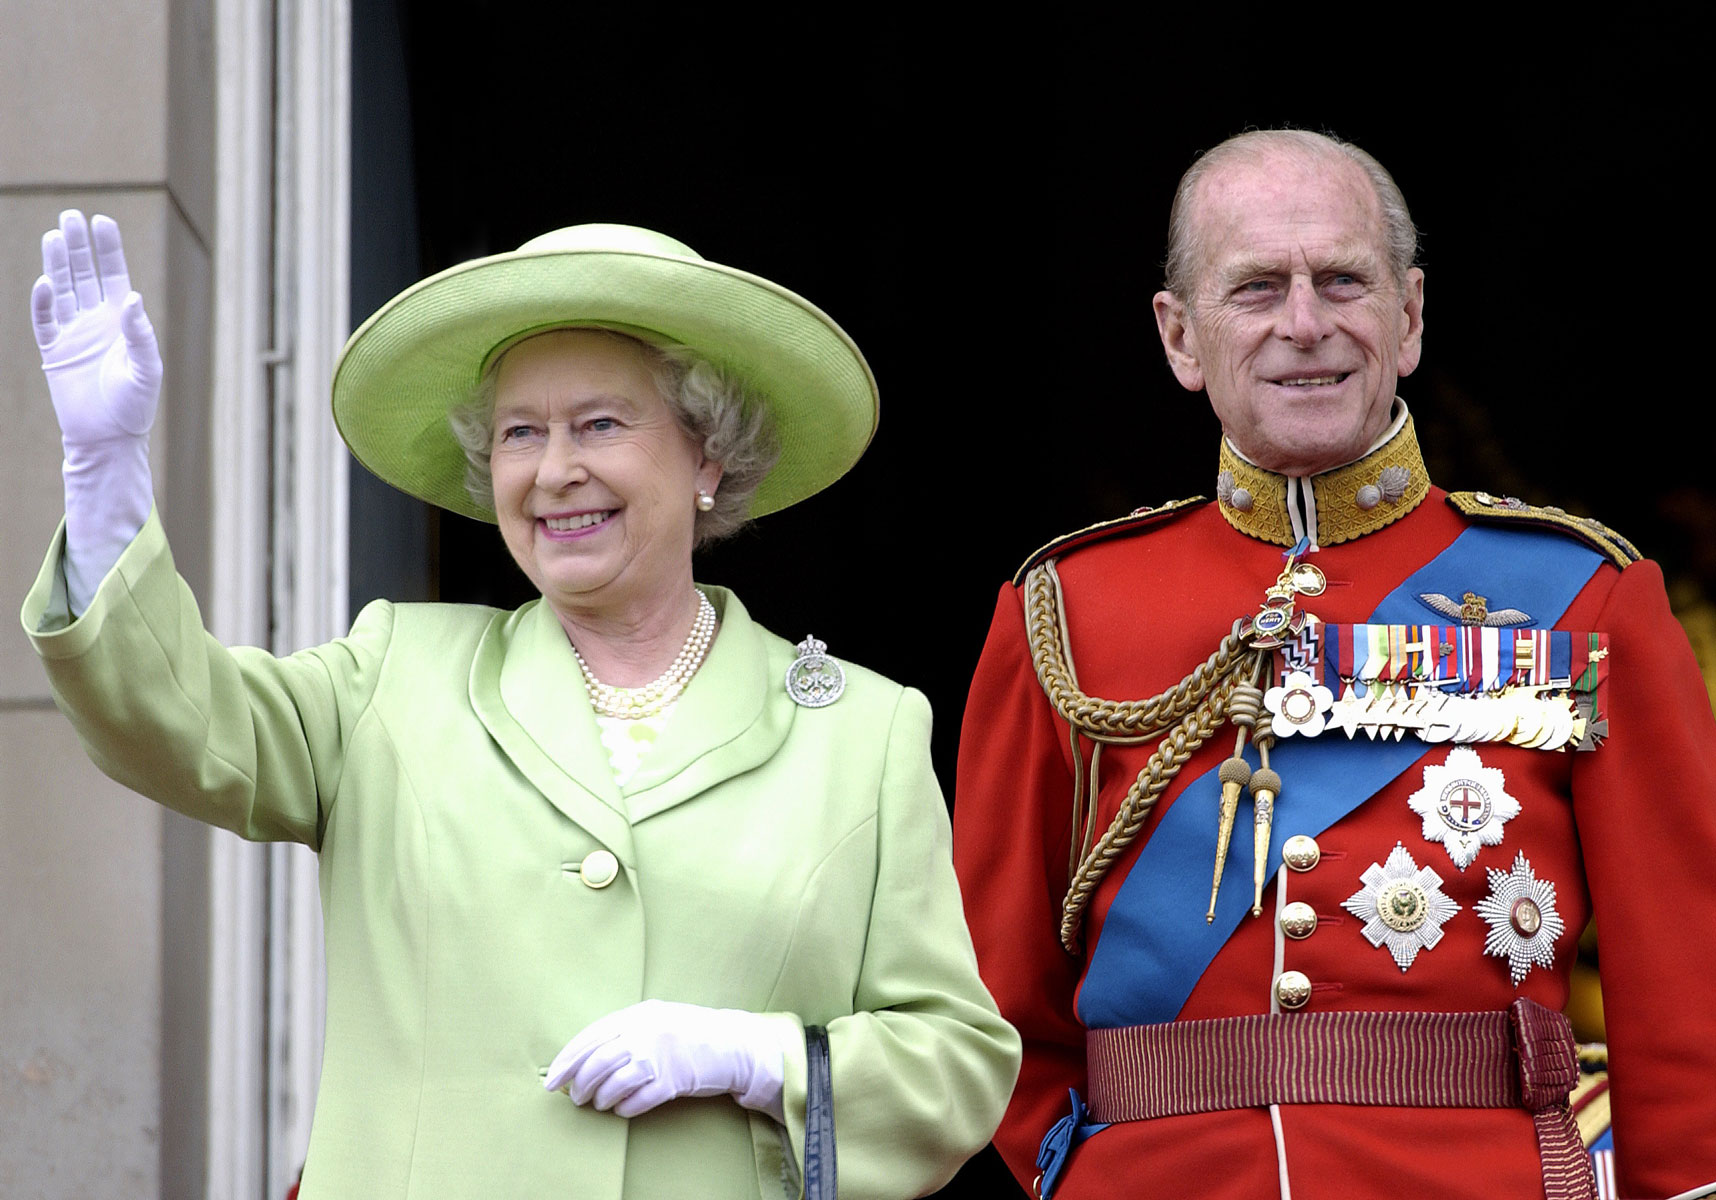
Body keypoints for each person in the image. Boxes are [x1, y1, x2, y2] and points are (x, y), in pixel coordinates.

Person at [23, 212, 1020, 1199]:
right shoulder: (390, 677)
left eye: (600, 424)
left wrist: (760, 1058)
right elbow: (173, 719)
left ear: (708, 457)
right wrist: (105, 476)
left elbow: (958, 1064)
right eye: (519, 433)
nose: (553, 471)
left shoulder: (859, 732)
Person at [952, 130, 1716, 1200]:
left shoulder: (1586, 597)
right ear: (1180, 337)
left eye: (1342, 281)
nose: (1303, 324)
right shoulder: (1065, 612)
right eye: (1257, 287)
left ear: (1407, 318)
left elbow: (1688, 988)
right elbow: (992, 1000)